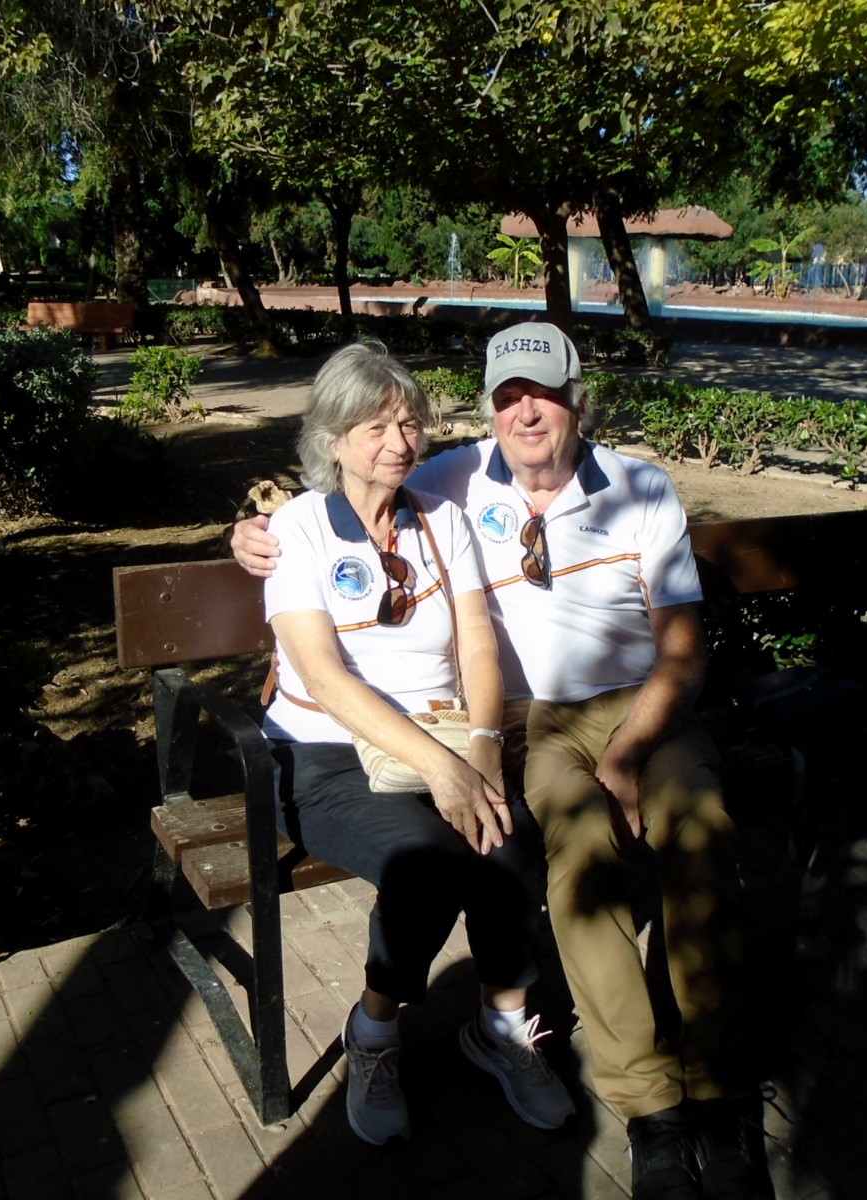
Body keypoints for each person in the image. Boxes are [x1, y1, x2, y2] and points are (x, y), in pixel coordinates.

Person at [235, 323, 771, 1200]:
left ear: (578, 401)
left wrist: (514, 749)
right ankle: (622, 1102)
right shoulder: (418, 490)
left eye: (545, 394)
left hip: (567, 721)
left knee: (634, 837)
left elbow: (529, 643)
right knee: (509, 858)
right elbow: (325, 638)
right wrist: (249, 531)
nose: (527, 413)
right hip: (429, 741)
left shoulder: (563, 494)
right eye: (508, 398)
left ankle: (681, 1079)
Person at [260, 341, 574, 1146]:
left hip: (440, 733)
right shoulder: (298, 530)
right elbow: (323, 677)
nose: (399, 442)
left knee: (508, 841)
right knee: (426, 864)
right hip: (326, 754)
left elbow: (477, 641)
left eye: (409, 423)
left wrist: (481, 748)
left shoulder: (441, 519)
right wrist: (444, 770)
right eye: (375, 427)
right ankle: (373, 1033)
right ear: (332, 440)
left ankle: (501, 1028)